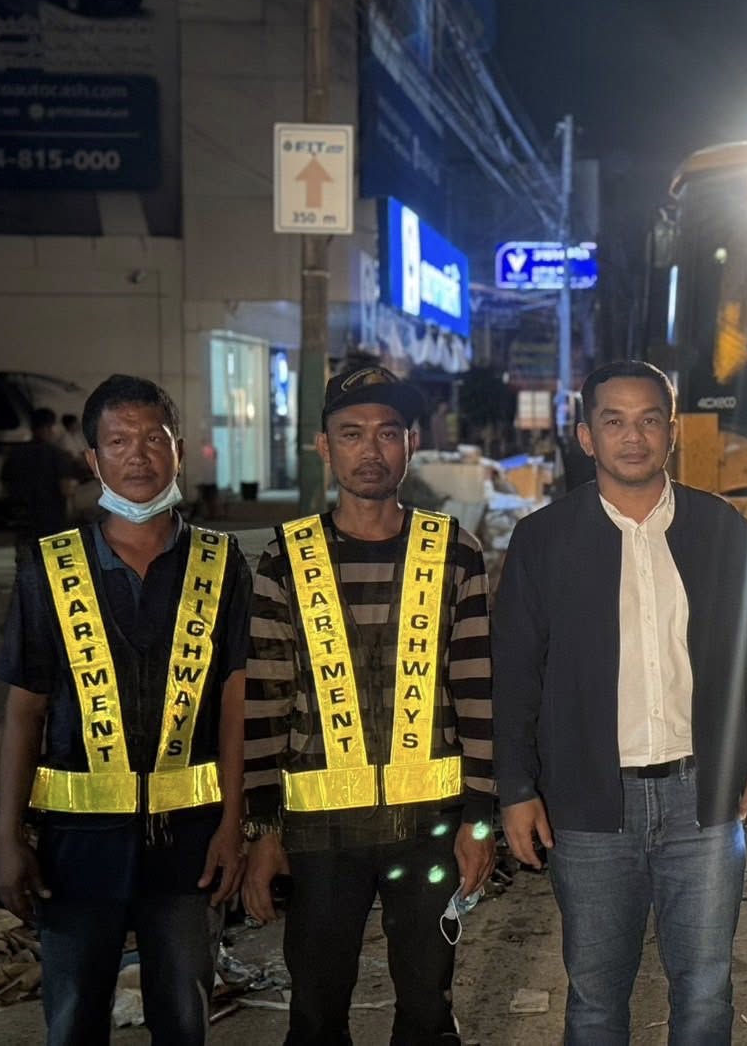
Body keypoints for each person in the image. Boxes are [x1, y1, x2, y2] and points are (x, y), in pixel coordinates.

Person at [493, 359, 747, 1044]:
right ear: (586, 437)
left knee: (705, 991)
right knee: (596, 999)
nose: (634, 437)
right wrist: (516, 790)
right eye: (614, 421)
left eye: (649, 420)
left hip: (704, 801)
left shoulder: (719, 528)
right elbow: (514, 676)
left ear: (672, 432)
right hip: (589, 808)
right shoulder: (543, 540)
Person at [0, 374, 251, 1044]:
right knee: (74, 1019)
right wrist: (7, 834)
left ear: (179, 450)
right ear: (93, 459)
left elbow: (234, 705)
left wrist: (234, 826)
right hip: (75, 848)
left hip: (187, 843)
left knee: (183, 1018)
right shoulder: (49, 567)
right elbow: (24, 712)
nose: (138, 455)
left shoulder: (220, 564)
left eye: (154, 439)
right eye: (118, 441)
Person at [242, 364, 495, 1046]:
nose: (371, 450)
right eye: (351, 434)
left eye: (388, 432)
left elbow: (477, 693)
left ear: (410, 444)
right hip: (319, 838)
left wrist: (479, 819)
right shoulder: (284, 558)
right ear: (325, 447)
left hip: (429, 830)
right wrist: (262, 833)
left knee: (427, 1012)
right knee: (316, 1014)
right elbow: (265, 704)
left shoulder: (456, 552)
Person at [2, 407, 78, 547]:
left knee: (29, 557)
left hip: (25, 521)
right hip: (53, 521)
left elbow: (6, 483)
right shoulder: (56, 454)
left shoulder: (15, 454)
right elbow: (66, 489)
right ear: (50, 428)